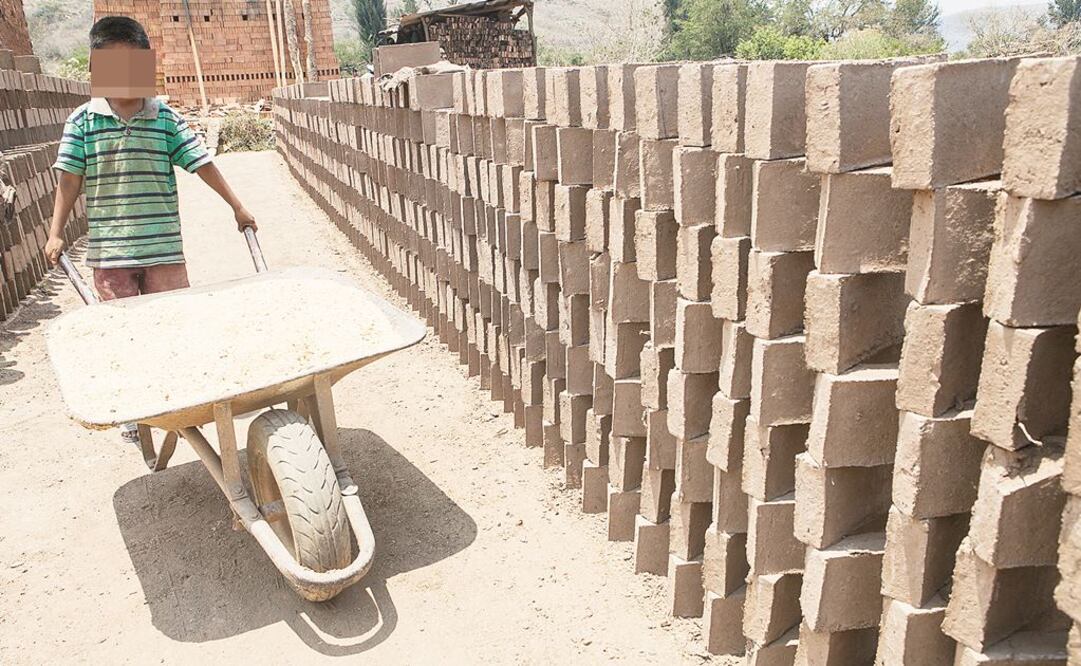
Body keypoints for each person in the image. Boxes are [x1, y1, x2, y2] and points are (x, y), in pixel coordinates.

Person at [45, 15, 258, 444]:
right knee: (122, 333)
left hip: (162, 248)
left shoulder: (164, 119)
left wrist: (238, 207)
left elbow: (202, 164)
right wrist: (55, 232)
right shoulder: (83, 122)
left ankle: (180, 398)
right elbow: (69, 179)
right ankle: (133, 409)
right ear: (95, 71)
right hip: (111, 254)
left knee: (174, 325)